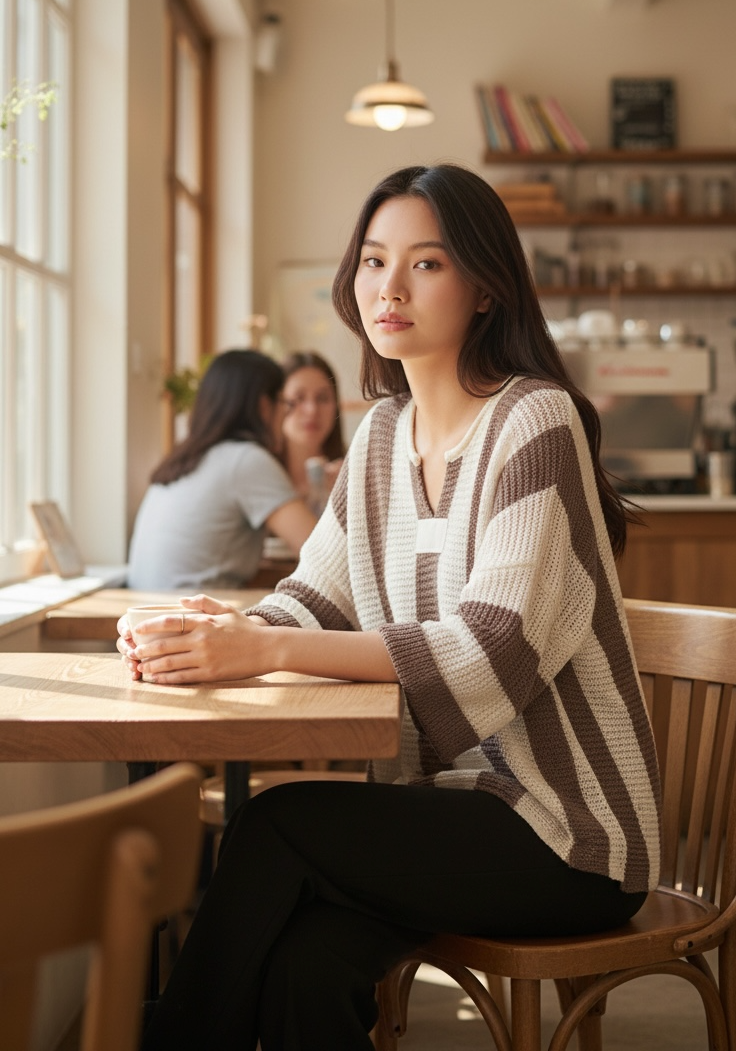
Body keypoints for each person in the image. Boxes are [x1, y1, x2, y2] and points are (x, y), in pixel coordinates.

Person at [119, 164, 662, 1051]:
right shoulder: (378, 436)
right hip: (445, 807)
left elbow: (495, 645)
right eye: (374, 261)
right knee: (305, 964)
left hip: (570, 833)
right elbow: (316, 597)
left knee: (275, 823)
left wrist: (265, 653)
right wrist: (229, 629)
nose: (390, 288)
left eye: (427, 264)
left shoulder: (535, 420)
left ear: (485, 287)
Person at [126, 349, 317, 591]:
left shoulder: (184, 458)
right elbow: (320, 552)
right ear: (264, 405)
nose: (286, 414)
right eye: (284, 403)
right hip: (192, 609)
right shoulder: (246, 460)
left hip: (144, 606)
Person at [277, 350, 345, 514]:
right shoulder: (260, 474)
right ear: (277, 404)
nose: (312, 410)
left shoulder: (351, 472)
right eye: (299, 398)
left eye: (322, 398)